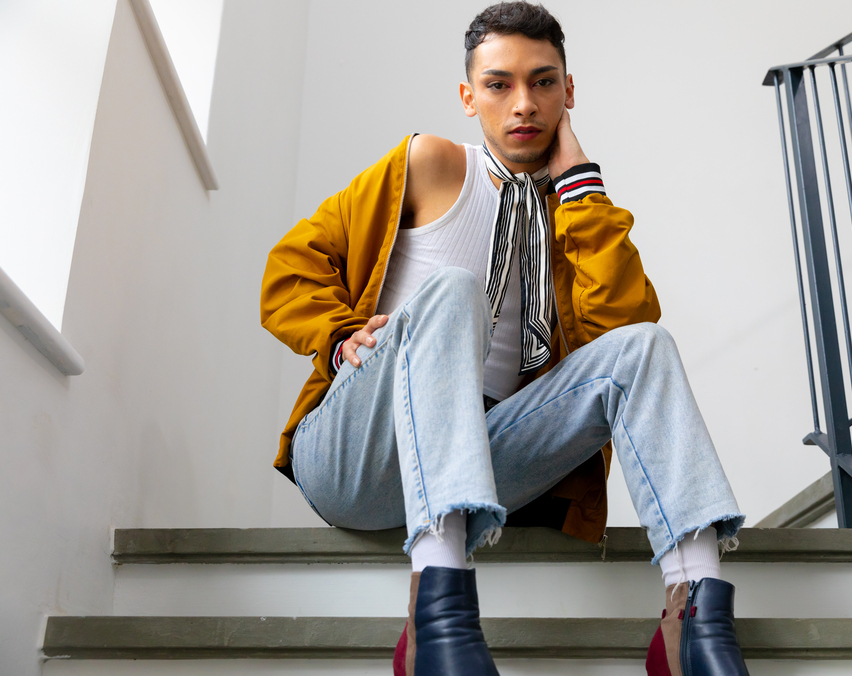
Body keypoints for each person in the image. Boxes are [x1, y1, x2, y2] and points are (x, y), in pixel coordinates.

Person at [260, 3, 748, 675]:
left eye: (543, 82)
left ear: (568, 91)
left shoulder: (575, 209)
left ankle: (695, 619)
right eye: (498, 84)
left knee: (645, 347)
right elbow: (291, 264)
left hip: (483, 458)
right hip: (358, 454)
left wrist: (578, 187)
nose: (523, 103)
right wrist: (340, 337)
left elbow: (621, 327)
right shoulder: (428, 164)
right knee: (455, 288)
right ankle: (439, 615)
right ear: (468, 96)